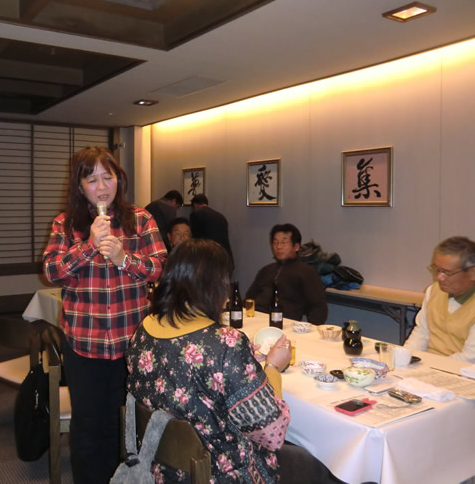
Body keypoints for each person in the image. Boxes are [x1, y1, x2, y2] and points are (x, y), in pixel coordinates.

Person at [125, 239, 343, 483]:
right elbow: (272, 434)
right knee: (319, 464)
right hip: (219, 473)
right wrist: (272, 367)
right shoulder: (225, 343)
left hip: (162, 467)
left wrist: (245, 362)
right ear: (215, 285)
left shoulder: (145, 328)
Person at [43, 146, 167, 484]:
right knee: (87, 427)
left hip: (132, 346)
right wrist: (87, 246)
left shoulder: (140, 219)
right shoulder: (66, 223)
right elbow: (51, 271)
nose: (101, 187)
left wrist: (125, 259)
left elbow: (162, 267)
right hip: (85, 345)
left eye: (107, 177)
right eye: (92, 179)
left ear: (119, 180)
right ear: (80, 186)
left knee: (126, 426)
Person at [404, 236, 475, 363]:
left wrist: (427, 367)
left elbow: (468, 359)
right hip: (429, 366)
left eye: (447, 272)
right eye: (437, 270)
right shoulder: (434, 291)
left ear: (473, 273)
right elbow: (421, 333)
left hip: (462, 371)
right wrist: (404, 358)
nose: (439, 277)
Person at [245, 223, 328, 324]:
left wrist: (310, 328)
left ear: (296, 247)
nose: (279, 247)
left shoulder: (307, 272)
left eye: (284, 243)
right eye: (275, 242)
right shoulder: (266, 270)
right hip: (256, 319)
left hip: (285, 323)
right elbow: (249, 298)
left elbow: (319, 307)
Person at [189, 193, 233, 267]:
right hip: (225, 257)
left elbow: (195, 239)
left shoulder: (196, 215)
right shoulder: (220, 216)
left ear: (195, 205)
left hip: (208, 259)